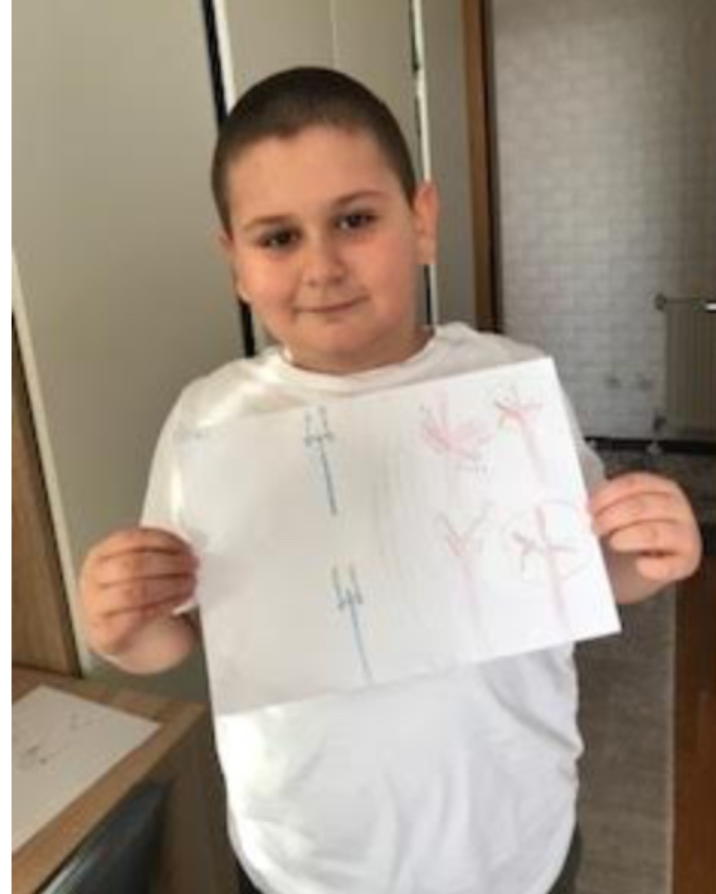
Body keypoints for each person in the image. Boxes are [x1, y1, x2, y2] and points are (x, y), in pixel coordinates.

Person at [80, 67, 702, 894]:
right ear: (235, 262)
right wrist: (122, 627)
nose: (322, 265)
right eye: (278, 238)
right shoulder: (210, 421)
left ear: (421, 219)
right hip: (304, 862)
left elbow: (588, 570)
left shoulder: (507, 385)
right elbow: (183, 629)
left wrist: (647, 552)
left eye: (355, 219)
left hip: (512, 843)